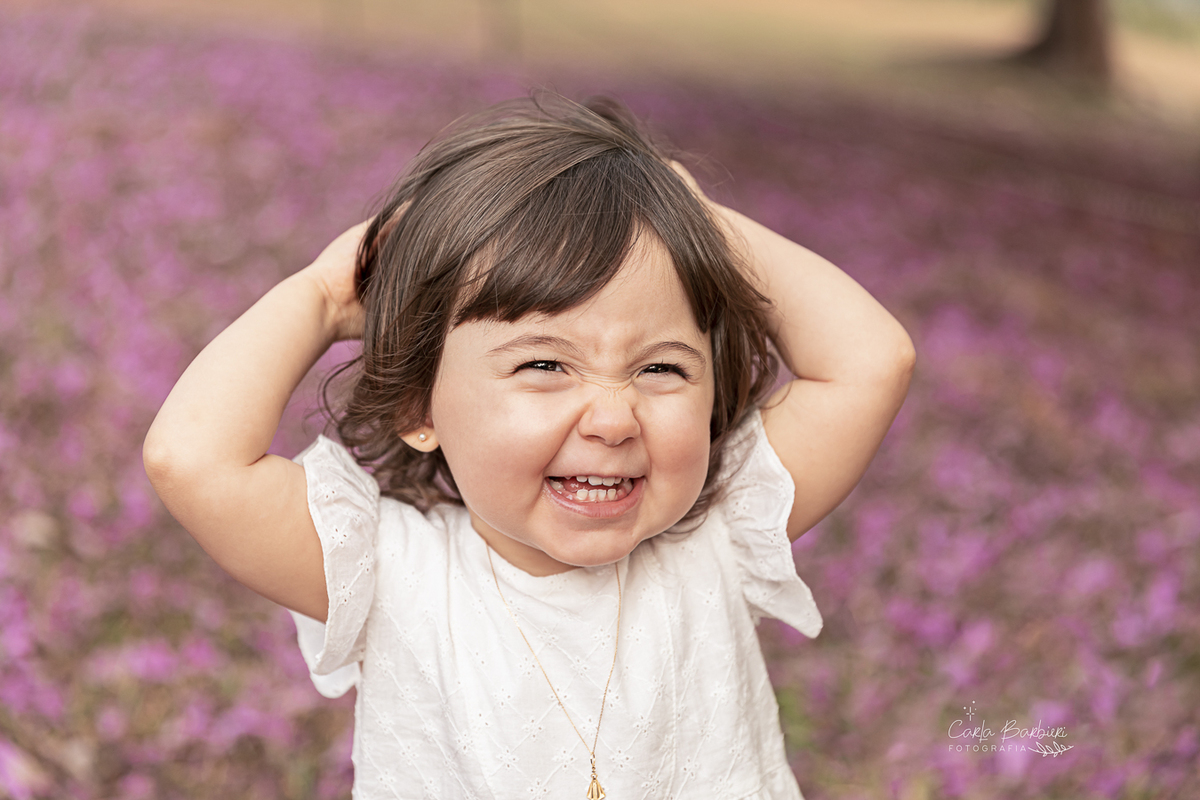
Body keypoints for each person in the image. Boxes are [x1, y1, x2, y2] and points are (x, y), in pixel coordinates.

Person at [143, 93, 915, 799]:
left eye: (662, 367)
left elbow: (871, 362)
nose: (614, 419)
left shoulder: (720, 538)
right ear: (419, 404)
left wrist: (697, 220)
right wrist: (321, 295)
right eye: (545, 365)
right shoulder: (390, 573)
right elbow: (194, 461)